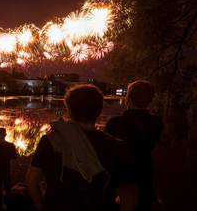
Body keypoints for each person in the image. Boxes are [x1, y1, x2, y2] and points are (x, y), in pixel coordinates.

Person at [26, 84, 138, 211]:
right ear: (99, 110)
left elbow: (32, 181)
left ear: (69, 110)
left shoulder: (51, 140)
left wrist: (42, 205)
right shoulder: (118, 146)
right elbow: (129, 197)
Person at [105, 80, 163, 210]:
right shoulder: (157, 123)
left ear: (128, 99)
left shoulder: (115, 123)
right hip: (144, 175)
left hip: (121, 179)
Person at [0, 127, 18, 206]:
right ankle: (9, 206)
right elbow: (14, 157)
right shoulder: (10, 145)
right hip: (6, 170)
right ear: (5, 135)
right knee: (8, 188)